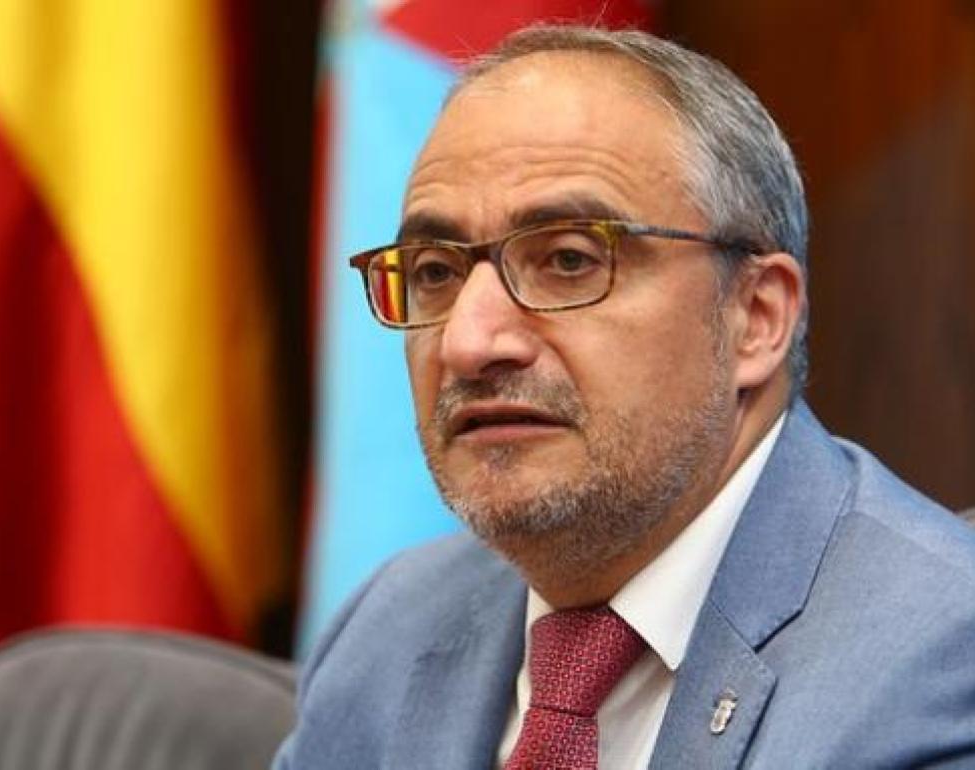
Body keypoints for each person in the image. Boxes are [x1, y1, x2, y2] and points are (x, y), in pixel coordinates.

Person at [274, 23, 975, 769]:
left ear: (756, 317)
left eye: (569, 261)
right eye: (436, 273)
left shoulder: (941, 659)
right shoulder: (386, 631)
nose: (468, 343)